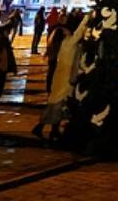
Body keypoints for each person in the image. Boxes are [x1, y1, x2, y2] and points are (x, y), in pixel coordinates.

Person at [33, 12, 87, 142]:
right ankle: (43, 128)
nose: (67, 30)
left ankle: (52, 130)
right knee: (58, 105)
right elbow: (79, 33)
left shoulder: (63, 44)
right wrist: (87, 18)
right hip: (65, 78)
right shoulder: (69, 43)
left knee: (56, 105)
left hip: (60, 77)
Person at [46, 14, 72, 93]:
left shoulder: (55, 28)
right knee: (53, 72)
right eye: (64, 19)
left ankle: (49, 88)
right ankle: (51, 88)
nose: (66, 20)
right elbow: (56, 43)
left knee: (52, 71)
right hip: (56, 54)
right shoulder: (60, 30)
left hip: (52, 53)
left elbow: (49, 41)